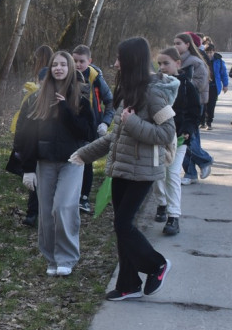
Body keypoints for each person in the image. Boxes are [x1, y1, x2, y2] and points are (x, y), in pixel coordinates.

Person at [71, 37, 176, 301]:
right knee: (121, 227)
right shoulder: (128, 92)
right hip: (121, 170)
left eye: (120, 59)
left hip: (143, 172)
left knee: (123, 224)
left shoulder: (154, 94)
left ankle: (157, 265)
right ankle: (128, 284)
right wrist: (84, 154)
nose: (116, 64)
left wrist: (133, 124)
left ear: (131, 61)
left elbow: (167, 133)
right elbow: (114, 136)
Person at [13, 51, 95, 277]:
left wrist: (66, 109)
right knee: (47, 212)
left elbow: (87, 132)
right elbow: (26, 135)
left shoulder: (80, 98)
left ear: (70, 68)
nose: (58, 68)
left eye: (63, 64)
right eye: (55, 65)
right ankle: (51, 258)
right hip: (45, 161)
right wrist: (28, 169)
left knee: (63, 207)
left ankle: (66, 257)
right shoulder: (36, 99)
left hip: (72, 161)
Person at [152, 47, 200, 236]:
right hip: (157, 137)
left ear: (178, 63)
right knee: (157, 174)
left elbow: (194, 113)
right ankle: (162, 203)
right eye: (159, 64)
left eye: (166, 63)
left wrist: (187, 130)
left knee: (172, 173)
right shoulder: (155, 84)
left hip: (179, 139)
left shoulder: (187, 86)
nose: (162, 67)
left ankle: (173, 216)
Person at [71, 45, 114, 214]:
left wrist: (105, 122)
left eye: (81, 61)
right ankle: (70, 194)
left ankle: (84, 197)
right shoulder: (66, 75)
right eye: (74, 60)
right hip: (70, 125)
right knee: (70, 159)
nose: (78, 64)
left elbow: (110, 102)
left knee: (85, 160)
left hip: (90, 127)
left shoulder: (96, 79)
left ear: (89, 61)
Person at [17, 45, 54, 227]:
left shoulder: (60, 100)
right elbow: (22, 125)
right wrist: (19, 147)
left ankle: (48, 215)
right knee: (35, 181)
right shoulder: (32, 99)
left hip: (54, 151)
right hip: (36, 147)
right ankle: (32, 213)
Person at [174, 32, 212, 184]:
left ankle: (205, 160)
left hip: (193, 105)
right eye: (174, 43)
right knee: (183, 140)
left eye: (178, 43)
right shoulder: (175, 60)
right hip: (178, 105)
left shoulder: (195, 61)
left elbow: (201, 83)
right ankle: (190, 173)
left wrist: (181, 83)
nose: (175, 46)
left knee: (188, 138)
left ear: (187, 44)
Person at [203, 43, 229, 130]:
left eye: (210, 52)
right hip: (203, 86)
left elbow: (223, 73)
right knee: (203, 104)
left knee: (211, 105)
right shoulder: (201, 60)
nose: (209, 54)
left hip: (214, 86)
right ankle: (202, 121)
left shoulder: (219, 61)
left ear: (214, 52)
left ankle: (209, 122)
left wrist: (225, 85)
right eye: (207, 52)